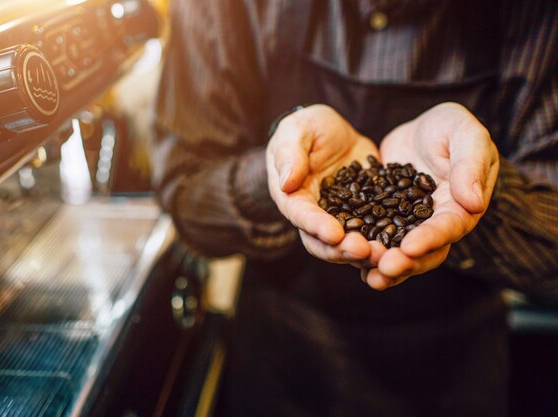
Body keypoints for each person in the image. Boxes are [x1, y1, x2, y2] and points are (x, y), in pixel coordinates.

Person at [151, 1, 558, 416]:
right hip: (283, 363)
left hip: (455, 373)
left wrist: (476, 190)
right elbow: (185, 191)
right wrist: (276, 173)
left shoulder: (537, 16)